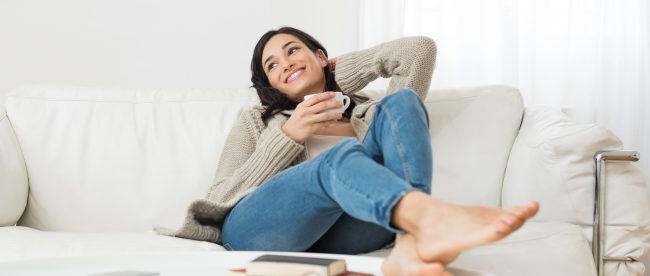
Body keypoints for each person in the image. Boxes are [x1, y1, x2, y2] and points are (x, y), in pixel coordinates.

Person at [158, 27, 539, 276]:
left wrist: (335, 77)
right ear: (269, 83)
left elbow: (418, 50)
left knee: (405, 100)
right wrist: (288, 136)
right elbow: (219, 196)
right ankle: (428, 223)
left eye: (293, 51)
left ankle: (410, 242)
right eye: (272, 65)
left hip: (349, 231)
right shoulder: (258, 120)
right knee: (336, 159)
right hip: (261, 229)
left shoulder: (369, 113)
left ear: (321, 55)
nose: (285, 63)